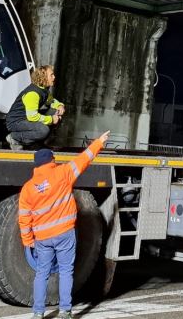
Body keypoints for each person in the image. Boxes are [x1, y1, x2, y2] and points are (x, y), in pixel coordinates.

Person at [19, 131, 110, 319]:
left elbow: (24, 218)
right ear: (52, 160)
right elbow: (84, 159)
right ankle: (65, 311)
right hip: (64, 234)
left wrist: (28, 241)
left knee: (41, 274)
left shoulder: (27, 188)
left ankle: (37, 313)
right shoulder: (63, 173)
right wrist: (99, 143)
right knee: (66, 271)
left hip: (42, 238)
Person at [6, 65, 65, 150]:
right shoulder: (33, 93)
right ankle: (14, 138)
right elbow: (32, 116)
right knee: (43, 130)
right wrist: (51, 119)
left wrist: (59, 105)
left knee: (55, 111)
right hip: (16, 121)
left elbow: (51, 101)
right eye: (51, 75)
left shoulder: (43, 89)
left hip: (27, 118)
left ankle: (37, 144)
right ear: (43, 77)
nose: (54, 77)